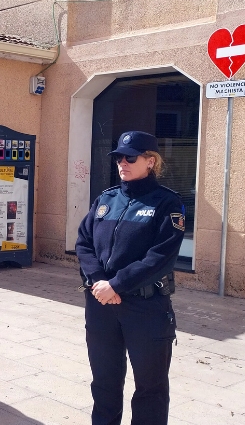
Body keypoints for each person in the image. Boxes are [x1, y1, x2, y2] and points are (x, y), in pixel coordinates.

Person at [75, 131, 184, 425]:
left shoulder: (166, 204)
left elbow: (160, 257)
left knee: (150, 389)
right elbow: (83, 243)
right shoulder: (106, 199)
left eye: (130, 157)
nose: (123, 162)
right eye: (119, 157)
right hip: (101, 304)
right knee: (104, 383)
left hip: (145, 309)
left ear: (151, 161)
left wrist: (116, 284)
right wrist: (100, 281)